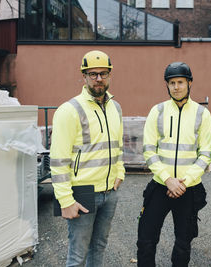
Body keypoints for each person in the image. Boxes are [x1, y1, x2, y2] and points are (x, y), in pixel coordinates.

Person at [50, 50, 125, 266]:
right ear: (84, 76)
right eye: (93, 74)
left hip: (110, 193)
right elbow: (58, 160)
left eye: (103, 73)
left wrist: (120, 173)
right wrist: (65, 200)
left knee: (99, 247)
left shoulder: (115, 108)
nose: (98, 79)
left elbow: (118, 146)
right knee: (77, 255)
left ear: (110, 74)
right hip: (82, 194)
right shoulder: (68, 110)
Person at [137, 62, 211, 267]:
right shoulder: (158, 111)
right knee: (146, 239)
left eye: (180, 82)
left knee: (183, 241)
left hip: (187, 189)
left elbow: (206, 153)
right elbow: (148, 150)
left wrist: (183, 182)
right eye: (172, 82)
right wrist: (167, 179)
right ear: (167, 85)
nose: (176, 86)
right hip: (160, 186)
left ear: (189, 83)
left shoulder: (202, 114)